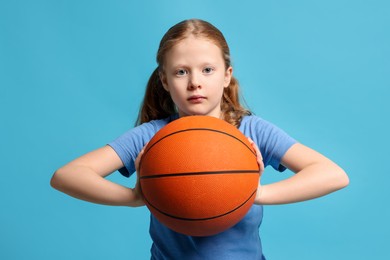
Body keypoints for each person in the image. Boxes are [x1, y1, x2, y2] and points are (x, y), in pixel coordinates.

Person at [51, 19, 349, 259]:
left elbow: (333, 175)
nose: (195, 82)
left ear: (226, 75)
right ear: (165, 80)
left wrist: (256, 194)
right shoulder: (153, 137)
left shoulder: (252, 131)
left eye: (207, 70)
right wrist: (135, 197)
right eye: (181, 72)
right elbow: (67, 176)